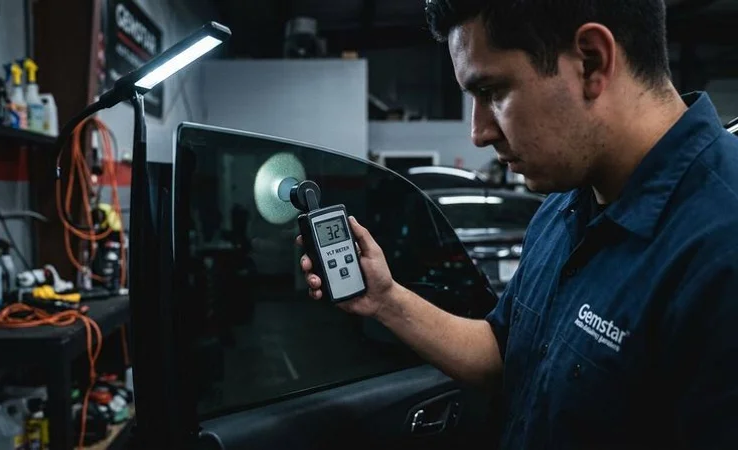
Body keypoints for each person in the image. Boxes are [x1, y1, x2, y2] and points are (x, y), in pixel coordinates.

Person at [298, 1, 738, 448]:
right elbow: (505, 354)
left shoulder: (722, 245)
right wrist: (386, 299)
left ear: (591, 61)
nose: (479, 132)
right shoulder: (563, 206)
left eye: (492, 91)